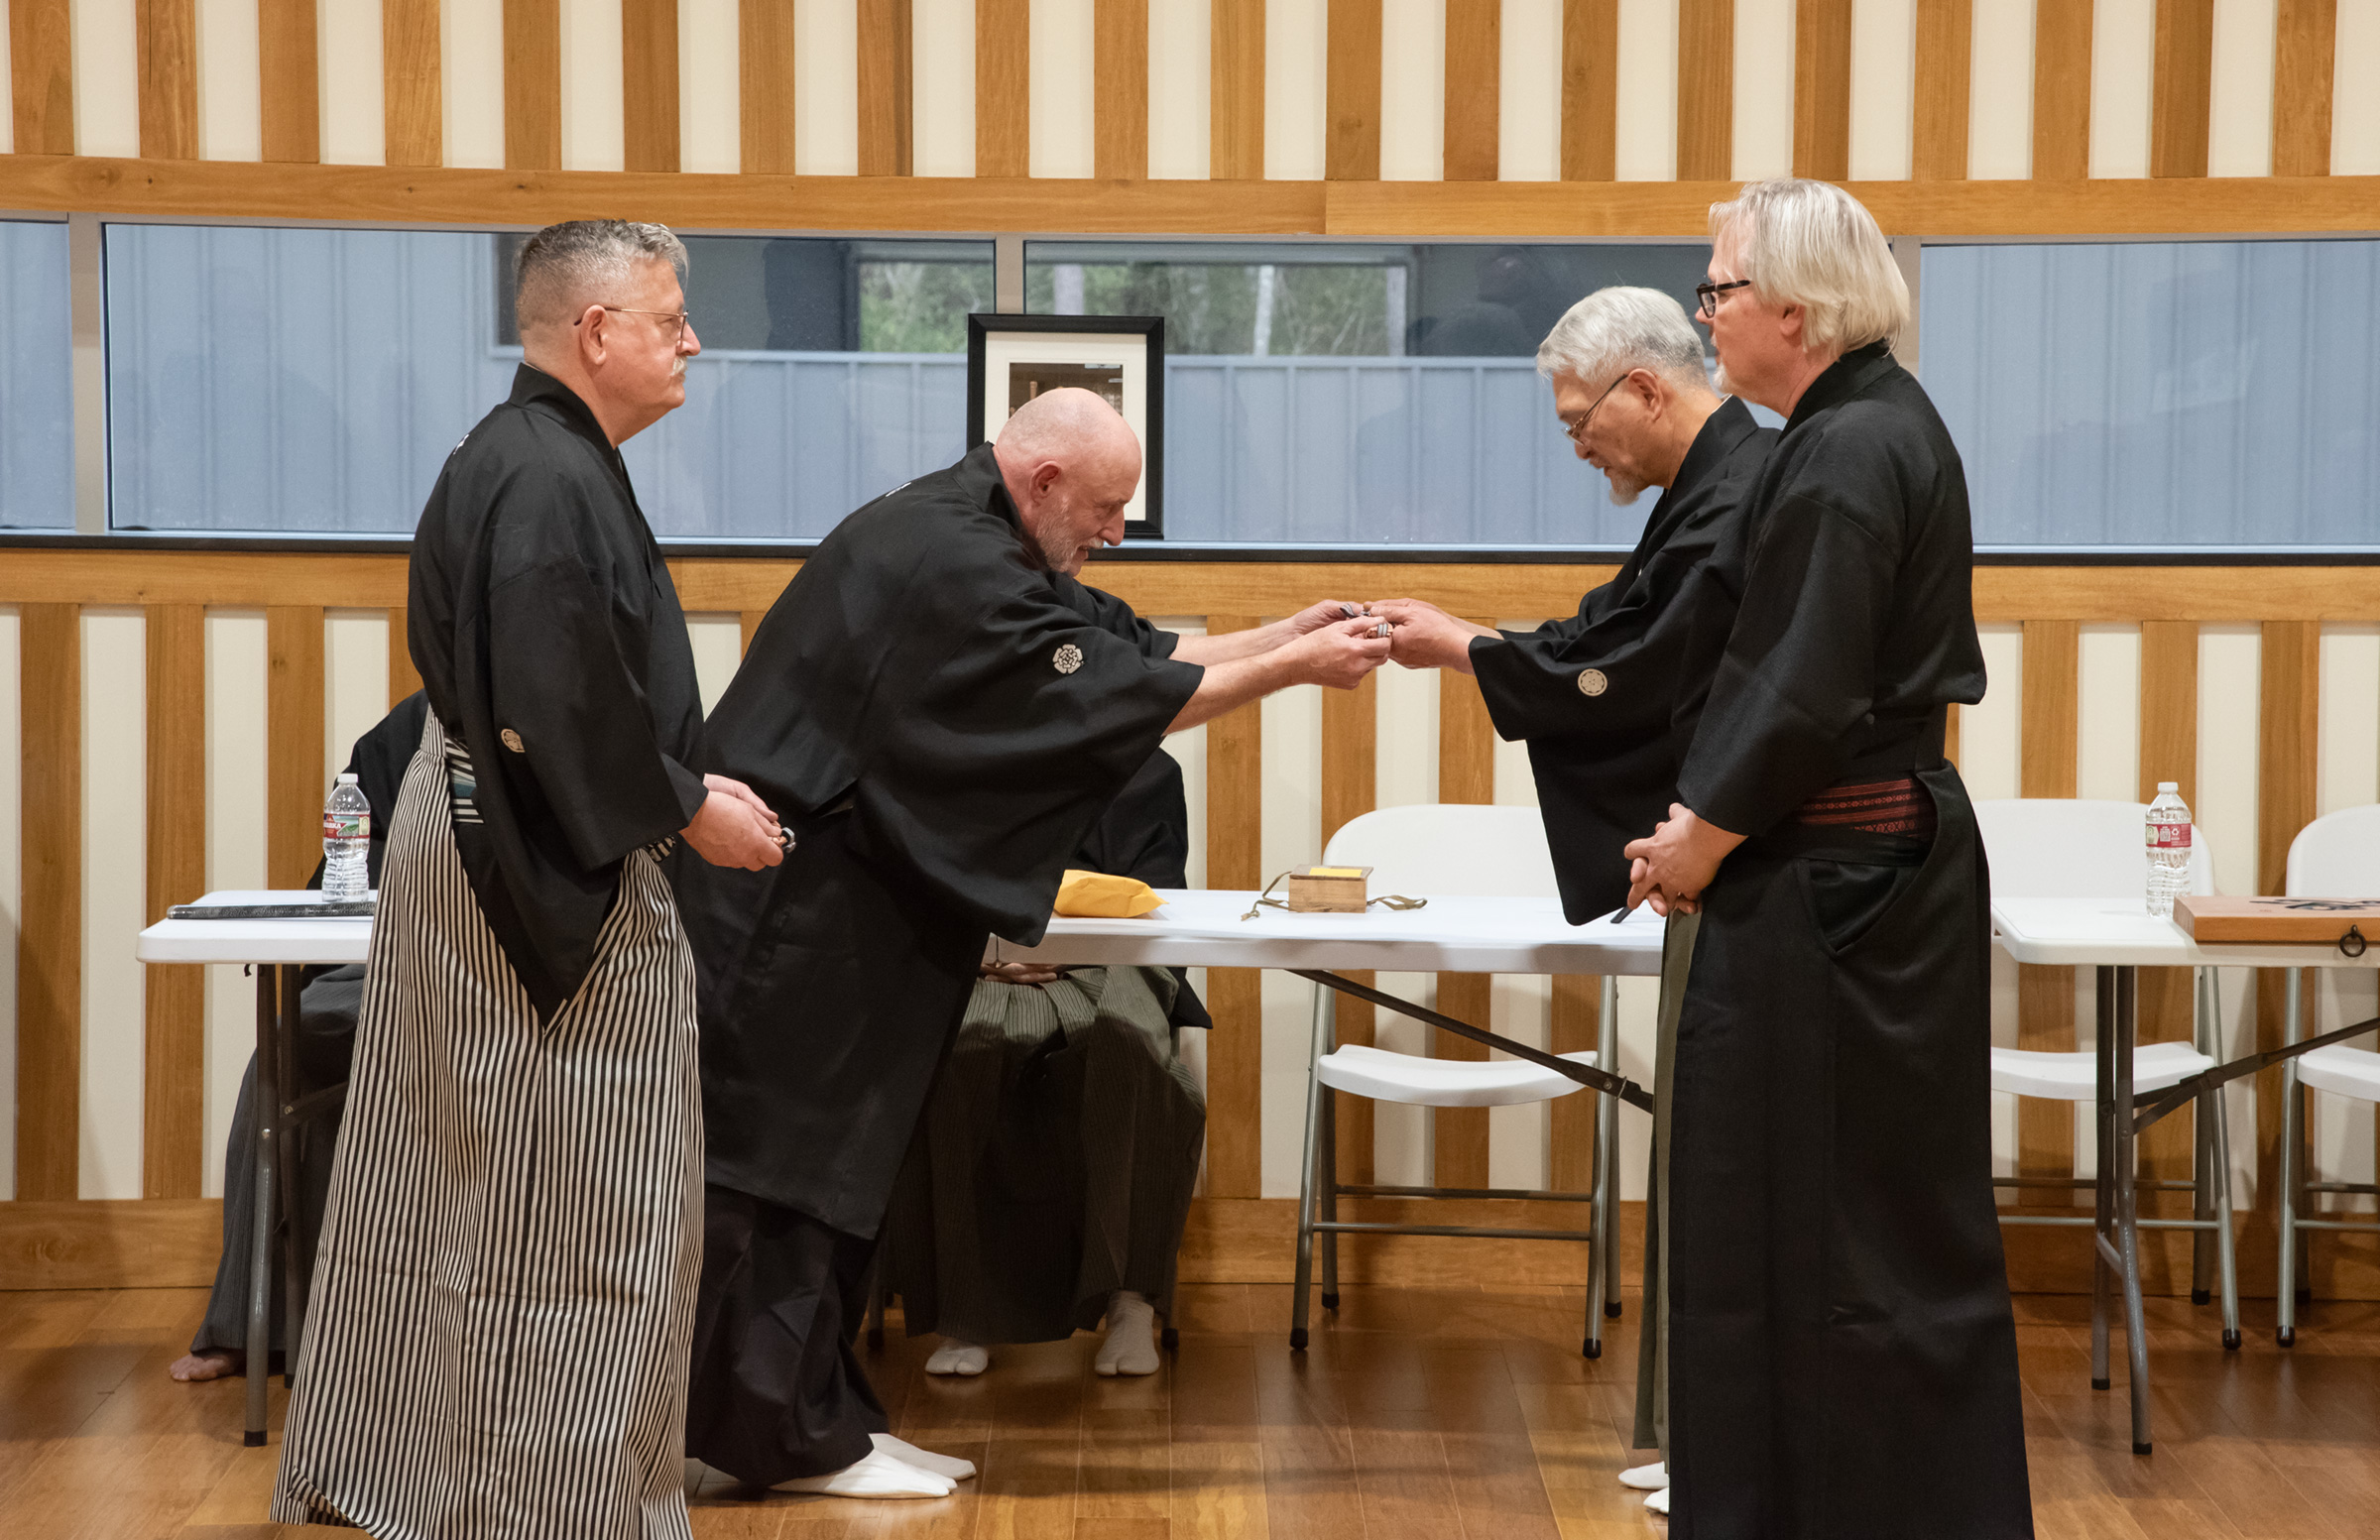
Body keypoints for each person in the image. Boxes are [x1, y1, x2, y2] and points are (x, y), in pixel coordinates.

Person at [676, 386, 1389, 1499]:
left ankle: (820, 1426)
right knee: (786, 1178)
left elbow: (1134, 649)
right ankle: (783, 1434)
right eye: (1106, 508)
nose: (1114, 533)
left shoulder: (991, 539)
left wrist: (1290, 631)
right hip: (789, 906)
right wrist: (1296, 669)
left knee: (839, 1174)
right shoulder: (947, 559)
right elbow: (1119, 695)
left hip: (844, 904)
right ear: (1045, 477)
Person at [272, 220, 785, 1540]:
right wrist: (685, 809)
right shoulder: (547, 476)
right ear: (596, 333)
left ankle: (411, 1476)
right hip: (530, 848)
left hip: (485, 828)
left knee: (452, 1179)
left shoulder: (526, 457)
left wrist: (681, 788)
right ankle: (553, 1507)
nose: (692, 342)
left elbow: (559, 692)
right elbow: (555, 705)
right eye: (670, 318)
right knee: (587, 1201)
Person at [1622, 178, 2032, 1537]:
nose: (1708, 320)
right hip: (1864, 870)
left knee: (1816, 1235)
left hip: (1837, 885)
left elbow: (1802, 688)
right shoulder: (1855, 423)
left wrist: (1700, 837)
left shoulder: (1853, 445)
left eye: (1718, 293)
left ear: (1792, 310)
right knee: (1855, 1232)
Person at [1371, 285, 1776, 1519]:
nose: (1579, 443)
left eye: (1578, 420)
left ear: (1645, 389)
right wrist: (1482, 644)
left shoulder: (1742, 485)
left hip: (1768, 866)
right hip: (1725, 854)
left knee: (1740, 1168)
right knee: (1712, 1164)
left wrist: (1471, 654)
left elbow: (1641, 671)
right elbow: (1616, 628)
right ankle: (1717, 1444)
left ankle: (1739, 1456)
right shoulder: (1701, 489)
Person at [883, 749, 1211, 1381]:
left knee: (1130, 1049)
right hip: (975, 959)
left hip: (1109, 959)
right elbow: (926, 881)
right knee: (961, 1051)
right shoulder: (955, 759)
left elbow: (1156, 898)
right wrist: (981, 950)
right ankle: (963, 1309)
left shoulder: (1146, 768)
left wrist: (1067, 946)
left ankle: (1131, 1299)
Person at [171, 691, 426, 1385]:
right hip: (381, 962)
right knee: (288, 1048)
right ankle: (253, 1325)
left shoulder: (557, 719)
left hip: (497, 977)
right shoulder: (406, 731)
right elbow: (344, 878)